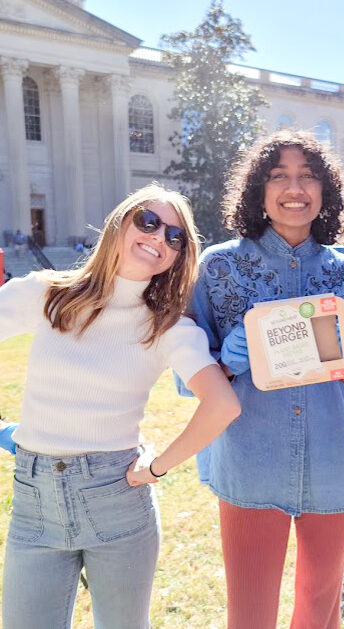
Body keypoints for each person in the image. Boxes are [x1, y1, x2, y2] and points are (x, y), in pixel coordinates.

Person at [0, 183, 241, 629]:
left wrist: (157, 467)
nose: (158, 237)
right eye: (149, 221)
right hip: (34, 503)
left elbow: (222, 404)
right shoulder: (46, 293)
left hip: (117, 498)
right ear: (119, 222)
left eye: (175, 237)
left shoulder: (167, 327)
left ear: (178, 256)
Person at [179, 129, 344, 629]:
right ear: (259, 190)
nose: (294, 188)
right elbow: (191, 381)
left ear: (326, 191)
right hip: (251, 457)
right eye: (279, 176)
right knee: (249, 613)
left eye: (307, 176)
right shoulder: (219, 269)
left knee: (320, 609)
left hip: (335, 458)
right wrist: (228, 360)